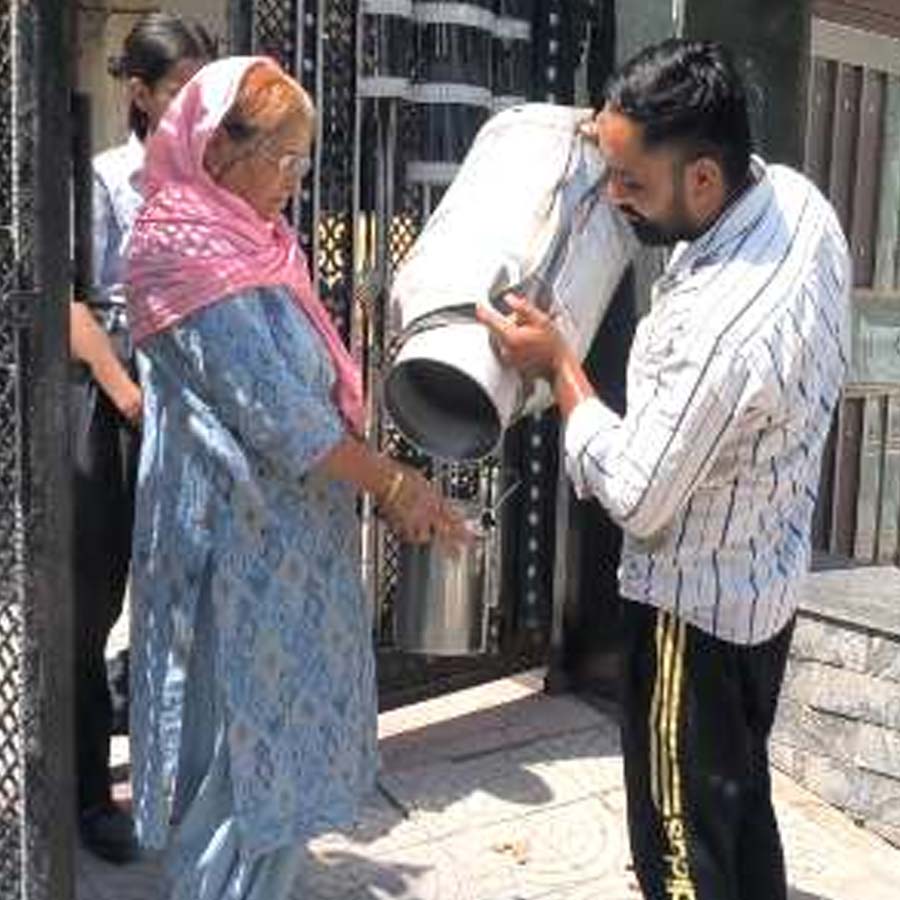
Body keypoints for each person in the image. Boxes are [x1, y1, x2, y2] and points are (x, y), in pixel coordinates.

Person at [477, 39, 850, 900]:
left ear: (705, 180)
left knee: (680, 852)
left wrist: (562, 368)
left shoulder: (720, 327)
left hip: (692, 613)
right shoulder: (794, 199)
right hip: (764, 592)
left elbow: (642, 496)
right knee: (739, 809)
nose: (616, 199)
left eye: (634, 185)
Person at [125, 56, 466, 900]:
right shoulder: (185, 249)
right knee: (237, 766)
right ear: (217, 151)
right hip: (229, 549)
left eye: (302, 161)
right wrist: (395, 487)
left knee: (274, 756)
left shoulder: (256, 243)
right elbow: (284, 418)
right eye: (282, 159)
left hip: (286, 548)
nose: (294, 181)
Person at [69, 13, 216, 864]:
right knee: (90, 605)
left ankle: (178, 776)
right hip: (113, 397)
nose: (193, 106)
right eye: (176, 90)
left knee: (183, 594)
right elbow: (69, 302)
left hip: (193, 400)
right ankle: (89, 794)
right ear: (139, 94)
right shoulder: (108, 178)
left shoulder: (218, 181)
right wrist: (127, 397)